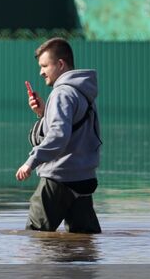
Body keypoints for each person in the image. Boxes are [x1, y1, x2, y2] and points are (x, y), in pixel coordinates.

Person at [15, 37, 102, 234]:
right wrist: (44, 113)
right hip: (84, 180)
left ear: (60, 64)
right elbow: (74, 131)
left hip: (58, 179)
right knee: (84, 246)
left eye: (45, 65)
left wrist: (31, 161)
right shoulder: (84, 92)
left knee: (34, 238)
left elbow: (58, 136)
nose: (41, 72)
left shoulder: (61, 93)